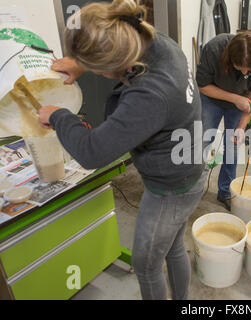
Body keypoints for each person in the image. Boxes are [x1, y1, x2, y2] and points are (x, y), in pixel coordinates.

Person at [37, 0, 206, 300]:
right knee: (172, 246)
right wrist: (81, 63)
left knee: (146, 264)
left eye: (98, 69)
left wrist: (58, 116)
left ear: (113, 63)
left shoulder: (150, 93)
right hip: (189, 167)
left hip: (171, 188)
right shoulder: (153, 39)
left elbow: (92, 153)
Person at [196, 32, 251, 211]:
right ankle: (192, 189)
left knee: (233, 145)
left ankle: (225, 192)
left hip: (241, 103)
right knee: (203, 142)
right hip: (211, 98)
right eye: (240, 67)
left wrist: (241, 126)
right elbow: (203, 85)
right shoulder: (214, 49)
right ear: (229, 58)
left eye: (249, 69)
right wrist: (235, 98)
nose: (245, 72)